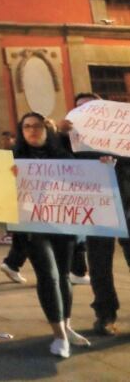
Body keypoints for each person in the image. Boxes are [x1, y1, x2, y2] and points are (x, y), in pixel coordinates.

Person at [12, 111, 93, 358]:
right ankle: (58, 335)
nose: (32, 130)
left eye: (37, 126)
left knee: (64, 277)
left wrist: (103, 166)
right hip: (32, 226)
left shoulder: (64, 156)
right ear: (21, 131)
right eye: (27, 126)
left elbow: (88, 180)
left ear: (46, 130)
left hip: (63, 224)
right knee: (48, 276)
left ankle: (66, 325)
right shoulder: (14, 159)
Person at [59, 92, 130, 337]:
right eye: (79, 108)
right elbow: (53, 159)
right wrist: (59, 134)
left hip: (127, 203)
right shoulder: (69, 139)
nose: (85, 111)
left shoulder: (122, 136)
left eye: (90, 107)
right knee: (99, 265)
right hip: (96, 208)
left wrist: (115, 159)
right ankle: (105, 315)